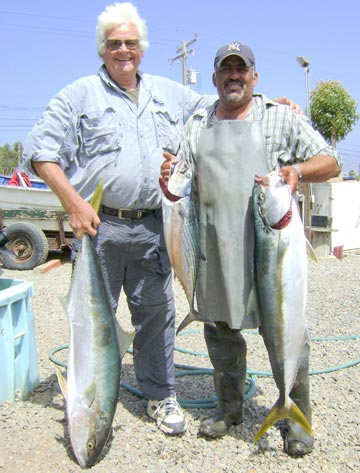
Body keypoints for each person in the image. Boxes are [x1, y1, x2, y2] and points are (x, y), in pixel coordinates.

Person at [22, 1, 301, 437]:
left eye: (131, 43)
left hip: (155, 224)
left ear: (142, 48)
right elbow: (40, 152)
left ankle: (158, 394)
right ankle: (88, 396)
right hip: (99, 228)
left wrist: (271, 103)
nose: (123, 51)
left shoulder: (169, 93)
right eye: (114, 44)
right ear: (103, 48)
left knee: (155, 316)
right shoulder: (78, 95)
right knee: (91, 319)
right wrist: (74, 204)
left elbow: (225, 102)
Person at [160, 41, 341, 454]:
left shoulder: (278, 118)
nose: (234, 76)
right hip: (214, 251)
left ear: (255, 76)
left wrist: (296, 170)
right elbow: (179, 179)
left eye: (242, 69)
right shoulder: (195, 126)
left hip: (270, 253)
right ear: (215, 78)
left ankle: (295, 419)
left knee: (287, 333)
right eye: (227, 70)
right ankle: (230, 408)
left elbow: (330, 161)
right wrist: (167, 175)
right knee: (221, 336)